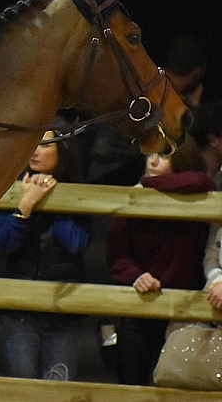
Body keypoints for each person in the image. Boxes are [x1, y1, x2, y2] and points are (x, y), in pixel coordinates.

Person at [0, 117, 89, 381]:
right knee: (21, 386)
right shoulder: (11, 188)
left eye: (44, 145)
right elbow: (1, 243)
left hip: (63, 310)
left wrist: (54, 201)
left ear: (62, 151)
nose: (34, 151)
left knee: (57, 388)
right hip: (18, 310)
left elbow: (76, 243)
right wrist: (26, 206)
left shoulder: (79, 192)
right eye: (32, 143)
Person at [106, 138, 212, 385]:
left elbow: (201, 179)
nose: (152, 161)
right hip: (140, 303)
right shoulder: (134, 197)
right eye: (150, 155)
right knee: (133, 383)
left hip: (184, 308)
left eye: (162, 156)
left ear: (180, 159)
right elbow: (117, 254)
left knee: (176, 384)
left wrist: (150, 184)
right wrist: (135, 275)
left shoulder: (193, 193)